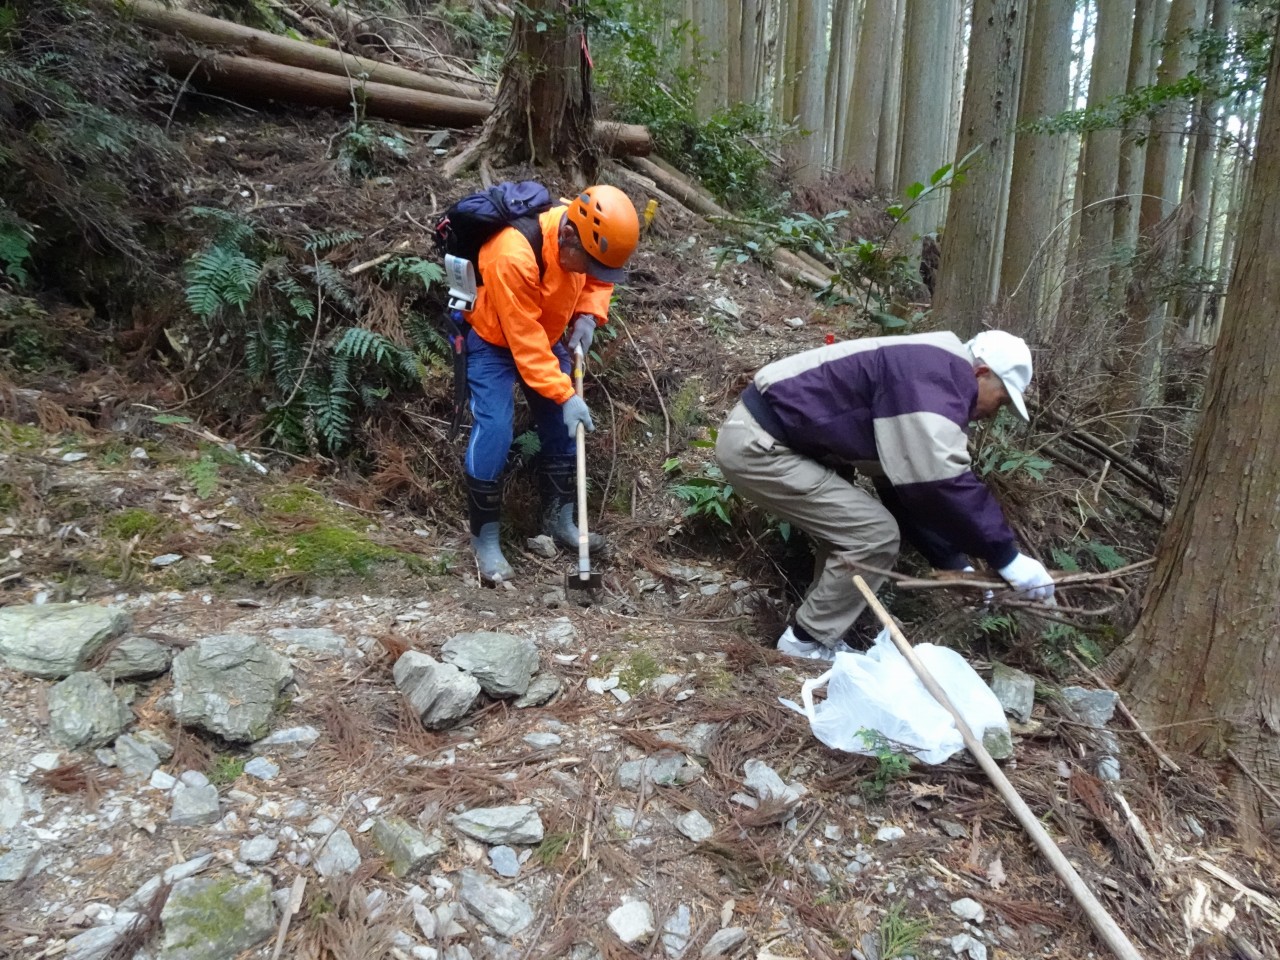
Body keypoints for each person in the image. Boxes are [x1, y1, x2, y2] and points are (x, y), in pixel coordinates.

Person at [715, 329, 1056, 660]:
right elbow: (941, 481)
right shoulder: (932, 378)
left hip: (768, 440)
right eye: (1001, 399)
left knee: (854, 529)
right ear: (981, 372)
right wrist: (1007, 558)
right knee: (874, 534)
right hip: (760, 444)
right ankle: (805, 643)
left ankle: (819, 637)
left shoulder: (929, 369)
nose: (994, 413)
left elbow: (905, 491)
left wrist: (954, 565)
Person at [463, 184, 640, 582]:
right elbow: (523, 343)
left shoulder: (580, 236)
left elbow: (599, 276)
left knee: (565, 426)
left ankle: (559, 519)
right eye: (586, 263)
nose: (590, 272)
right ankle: (485, 539)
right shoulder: (513, 254)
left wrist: (589, 316)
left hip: (544, 334)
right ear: (566, 238)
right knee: (494, 428)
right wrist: (564, 394)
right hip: (496, 338)